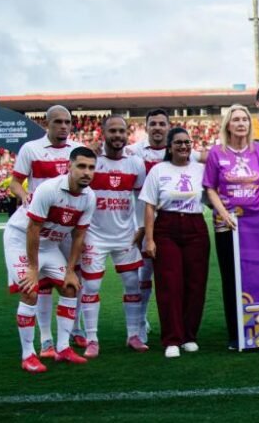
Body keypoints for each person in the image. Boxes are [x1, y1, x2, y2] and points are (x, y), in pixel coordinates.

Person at [5, 147, 97, 373]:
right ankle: (28, 355)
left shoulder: (89, 197)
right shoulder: (49, 189)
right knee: (30, 290)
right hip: (21, 239)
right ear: (69, 167)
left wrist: (71, 270)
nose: (86, 172)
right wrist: (33, 268)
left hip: (49, 244)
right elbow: (32, 228)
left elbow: (79, 235)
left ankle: (63, 348)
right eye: (81, 166)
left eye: (91, 167)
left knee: (70, 287)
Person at [10, 105, 83, 358]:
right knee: (40, 284)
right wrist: (24, 196)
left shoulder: (77, 150)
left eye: (67, 122)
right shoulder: (31, 149)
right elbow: (15, 182)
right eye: (58, 122)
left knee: (71, 280)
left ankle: (74, 331)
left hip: (64, 228)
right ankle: (45, 340)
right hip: (38, 226)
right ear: (46, 124)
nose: (63, 126)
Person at [124, 108, 201, 345]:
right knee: (140, 275)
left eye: (161, 124)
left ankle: (169, 328)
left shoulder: (190, 156)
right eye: (153, 123)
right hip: (139, 222)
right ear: (146, 127)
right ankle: (138, 323)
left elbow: (210, 158)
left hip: (169, 223)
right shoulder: (132, 152)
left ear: (168, 128)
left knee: (161, 276)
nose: (157, 127)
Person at [203, 104, 259, 349]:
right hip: (228, 226)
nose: (241, 123)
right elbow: (210, 188)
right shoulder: (216, 152)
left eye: (245, 119)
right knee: (231, 280)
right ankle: (236, 334)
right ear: (228, 125)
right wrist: (224, 214)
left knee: (258, 277)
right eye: (236, 120)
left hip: (257, 226)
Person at [81, 115, 148, 358]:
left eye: (122, 131)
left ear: (127, 134)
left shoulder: (136, 163)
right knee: (91, 286)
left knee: (132, 284)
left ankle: (133, 335)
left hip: (125, 236)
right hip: (94, 235)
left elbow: (141, 199)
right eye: (113, 131)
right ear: (103, 133)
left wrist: (141, 228)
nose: (118, 135)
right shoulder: (91, 160)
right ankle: (91, 339)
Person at [140, 128, 210, 358]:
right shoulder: (159, 170)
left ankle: (189, 336)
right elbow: (149, 206)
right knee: (169, 284)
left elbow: (212, 197)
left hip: (195, 227)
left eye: (187, 142)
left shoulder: (200, 170)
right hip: (166, 229)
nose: (183, 146)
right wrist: (150, 239)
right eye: (178, 142)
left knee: (195, 284)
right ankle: (172, 338)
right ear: (169, 147)